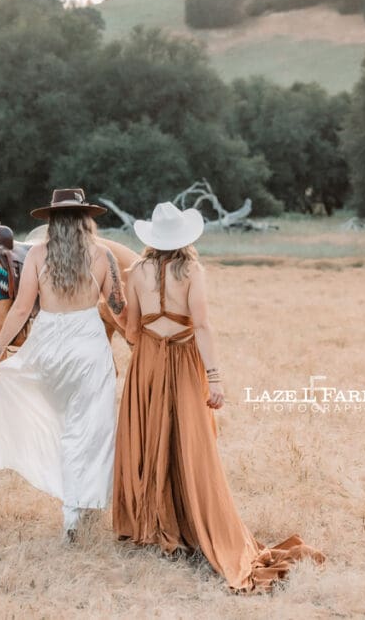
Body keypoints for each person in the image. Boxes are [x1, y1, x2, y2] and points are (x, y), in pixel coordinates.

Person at [113, 202, 325, 593]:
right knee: (193, 447)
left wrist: (113, 314)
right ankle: (193, 525)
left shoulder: (136, 271)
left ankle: (159, 526)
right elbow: (204, 325)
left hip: (148, 364)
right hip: (183, 360)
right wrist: (215, 378)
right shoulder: (192, 270)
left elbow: (130, 331)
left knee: (152, 440)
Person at [0, 188, 126, 540]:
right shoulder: (102, 255)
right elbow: (118, 307)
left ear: (52, 223)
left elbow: (20, 309)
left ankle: (72, 508)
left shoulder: (37, 255)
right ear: (85, 220)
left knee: (62, 427)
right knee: (90, 429)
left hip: (48, 347)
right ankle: (79, 509)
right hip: (88, 347)